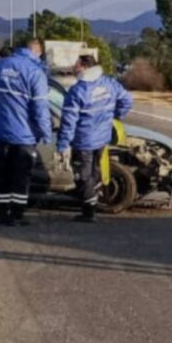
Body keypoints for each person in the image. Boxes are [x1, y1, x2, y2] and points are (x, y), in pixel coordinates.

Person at [0, 39, 52, 226]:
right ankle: (17, 213)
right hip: (24, 136)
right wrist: (46, 132)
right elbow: (40, 108)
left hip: (3, 134)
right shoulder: (35, 72)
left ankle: (2, 213)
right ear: (37, 52)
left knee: (3, 174)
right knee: (21, 176)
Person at [56, 55, 133, 223]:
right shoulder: (109, 83)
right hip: (102, 138)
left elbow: (68, 122)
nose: (74, 68)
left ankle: (89, 211)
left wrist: (63, 145)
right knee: (94, 172)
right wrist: (116, 116)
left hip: (84, 141)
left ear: (84, 67)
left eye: (76, 65)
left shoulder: (78, 90)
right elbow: (127, 100)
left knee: (83, 176)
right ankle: (93, 202)